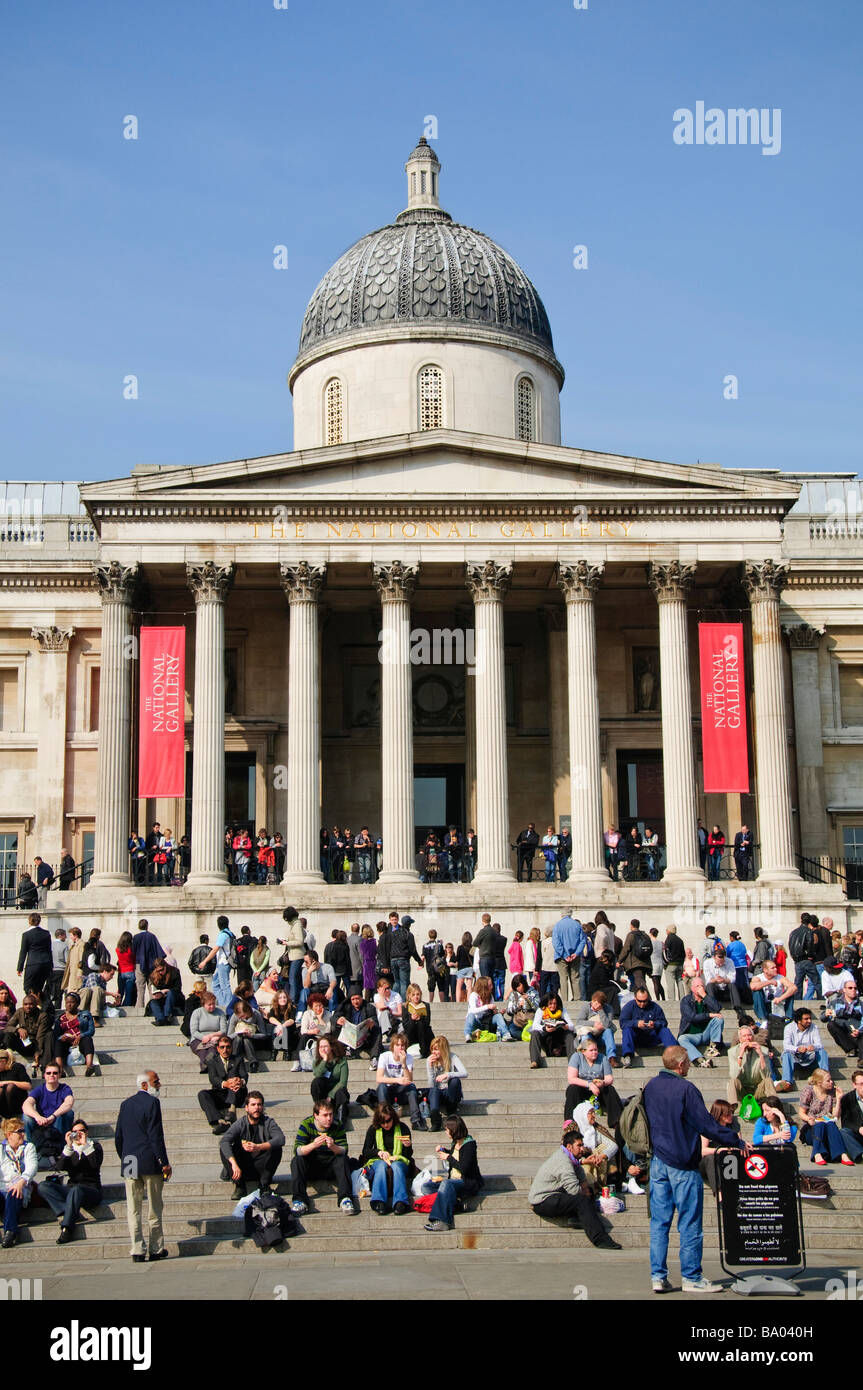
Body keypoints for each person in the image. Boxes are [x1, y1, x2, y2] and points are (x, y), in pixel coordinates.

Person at [645, 1045, 745, 1293]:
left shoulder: (651, 1086)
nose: (689, 1065)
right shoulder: (686, 1089)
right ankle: (691, 1277)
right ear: (680, 1065)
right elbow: (706, 1125)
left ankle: (658, 1276)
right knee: (689, 1222)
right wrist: (736, 1140)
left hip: (658, 1161)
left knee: (659, 1223)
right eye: (688, 1061)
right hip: (683, 1163)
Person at [527, 1119, 621, 1248]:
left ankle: (576, 1217)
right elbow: (574, 1191)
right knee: (581, 1201)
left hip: (555, 1195)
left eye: (582, 1145)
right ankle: (601, 1239)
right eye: (579, 1145)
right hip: (543, 1201)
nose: (582, 1149)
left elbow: (580, 1177)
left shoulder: (571, 1158)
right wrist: (584, 1193)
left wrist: (586, 1189)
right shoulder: (563, 1162)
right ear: (569, 1147)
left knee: (587, 1194)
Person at [115, 1071, 171, 1262]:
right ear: (145, 1085)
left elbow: (118, 1137)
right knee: (154, 1207)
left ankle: (137, 1249)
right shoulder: (152, 1103)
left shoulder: (125, 1104)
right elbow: (156, 1136)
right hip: (150, 1160)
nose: (159, 1085)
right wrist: (164, 1162)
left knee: (133, 1208)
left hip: (129, 1159)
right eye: (156, 1082)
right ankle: (155, 1248)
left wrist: (124, 1156)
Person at [39, 1118, 104, 1243]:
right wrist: (68, 1146)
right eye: (75, 1132)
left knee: (76, 1189)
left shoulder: (94, 1146)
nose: (78, 1134)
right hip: (72, 1189)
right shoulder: (70, 1149)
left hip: (91, 1190)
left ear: (87, 1132)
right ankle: (65, 1211)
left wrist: (85, 1146)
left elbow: (95, 1164)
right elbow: (59, 1167)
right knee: (43, 1186)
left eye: (82, 1131)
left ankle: (67, 1229)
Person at [290, 1099, 354, 1216]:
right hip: (312, 1165)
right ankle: (300, 1200)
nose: (329, 1118)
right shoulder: (306, 1124)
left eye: (331, 1114)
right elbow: (297, 1150)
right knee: (297, 1160)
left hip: (331, 1165)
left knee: (343, 1159)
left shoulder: (337, 1124)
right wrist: (313, 1145)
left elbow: (344, 1149)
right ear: (316, 1115)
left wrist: (333, 1146)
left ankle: (345, 1199)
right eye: (325, 1115)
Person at [424, 1115, 485, 1232]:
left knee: (446, 1184)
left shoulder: (469, 1145)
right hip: (453, 1180)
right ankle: (457, 1204)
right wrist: (444, 1150)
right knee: (426, 1187)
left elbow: (464, 1168)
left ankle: (441, 1220)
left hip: (467, 1181)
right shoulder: (455, 1142)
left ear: (454, 1130)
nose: (446, 1132)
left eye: (447, 1130)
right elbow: (454, 1155)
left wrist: (448, 1157)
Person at [220, 1091, 285, 1197]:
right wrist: (234, 1164)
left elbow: (281, 1139)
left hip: (261, 1168)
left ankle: (264, 1185)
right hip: (241, 1168)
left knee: (276, 1148)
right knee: (225, 1148)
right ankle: (240, 1187)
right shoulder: (240, 1123)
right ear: (246, 1108)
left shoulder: (268, 1122)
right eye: (253, 1105)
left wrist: (258, 1147)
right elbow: (224, 1141)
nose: (256, 1108)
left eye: (259, 1104)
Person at [359, 1101, 416, 1214]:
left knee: (397, 1166)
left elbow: (408, 1156)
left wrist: (408, 1146)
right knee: (381, 1166)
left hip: (399, 1160)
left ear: (393, 1118)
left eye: (388, 1121)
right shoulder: (373, 1129)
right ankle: (378, 1201)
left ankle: (401, 1202)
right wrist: (378, 1152)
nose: (385, 1125)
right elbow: (366, 1151)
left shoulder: (403, 1128)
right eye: (382, 1122)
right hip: (379, 1160)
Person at [0, 1117, 38, 1247]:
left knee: (14, 1192)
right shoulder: (1, 1149)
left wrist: (22, 1181)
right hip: (2, 1188)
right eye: (19, 1131)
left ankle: (10, 1232)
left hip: (21, 1187)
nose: (23, 1134)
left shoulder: (29, 1147)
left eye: (23, 1131)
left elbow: (32, 1166)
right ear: (9, 1135)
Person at [199, 1035, 248, 1133]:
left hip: (237, 1094)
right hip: (220, 1094)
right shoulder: (212, 1061)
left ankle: (232, 1110)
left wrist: (240, 1081)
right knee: (202, 1094)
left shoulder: (238, 1059)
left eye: (228, 1047)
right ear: (218, 1048)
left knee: (234, 1082)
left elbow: (244, 1075)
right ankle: (218, 1121)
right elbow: (213, 1079)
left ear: (231, 1048)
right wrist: (225, 1083)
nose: (225, 1050)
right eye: (222, 1047)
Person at [23, 1062, 74, 1156]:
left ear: (59, 1074)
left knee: (68, 1113)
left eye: (55, 1073)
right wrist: (38, 1117)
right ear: (44, 1075)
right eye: (48, 1073)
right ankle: (33, 1149)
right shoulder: (39, 1089)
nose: (52, 1075)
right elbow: (26, 1105)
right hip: (41, 1122)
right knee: (26, 1117)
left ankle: (61, 1146)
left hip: (57, 1121)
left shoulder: (64, 1088)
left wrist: (53, 1116)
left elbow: (69, 1103)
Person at [564, 1039, 620, 1123]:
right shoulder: (576, 1057)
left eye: (596, 1050)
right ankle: (569, 1121)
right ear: (583, 1051)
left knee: (610, 1089)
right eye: (591, 1050)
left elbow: (609, 1078)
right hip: (582, 1089)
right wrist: (589, 1084)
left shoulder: (603, 1058)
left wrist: (603, 1082)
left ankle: (616, 1121)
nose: (594, 1052)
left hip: (598, 1090)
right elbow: (571, 1078)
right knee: (573, 1088)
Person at [619, 987, 677, 1067]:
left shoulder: (655, 1007)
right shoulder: (629, 1007)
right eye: (639, 1001)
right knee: (627, 1030)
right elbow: (623, 1023)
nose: (642, 1003)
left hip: (652, 1037)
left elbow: (663, 1022)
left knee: (664, 1030)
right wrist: (636, 1023)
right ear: (635, 998)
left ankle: (675, 1054)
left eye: (645, 1001)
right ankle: (628, 1055)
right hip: (636, 1038)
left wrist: (655, 1024)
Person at [777, 1008, 830, 1092]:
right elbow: (786, 1045)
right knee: (786, 1054)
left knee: (822, 1052)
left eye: (810, 1018)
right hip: (795, 1059)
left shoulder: (814, 1027)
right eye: (806, 1019)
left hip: (810, 1058)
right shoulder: (789, 1028)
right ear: (798, 1021)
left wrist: (814, 1047)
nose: (809, 1021)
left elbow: (819, 1044)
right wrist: (797, 1049)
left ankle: (826, 1079)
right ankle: (787, 1083)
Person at [376, 1032, 424, 1126]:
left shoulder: (408, 1057)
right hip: (388, 1089)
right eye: (397, 1045)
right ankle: (384, 1117)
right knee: (381, 1086)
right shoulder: (384, 1056)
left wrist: (403, 1063)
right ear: (393, 1046)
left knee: (411, 1087)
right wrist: (397, 1080)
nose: (400, 1048)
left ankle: (416, 1120)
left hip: (401, 1091)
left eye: (402, 1045)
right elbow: (379, 1078)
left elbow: (409, 1079)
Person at [727, 1024, 779, 1107]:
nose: (748, 1038)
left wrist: (761, 1055)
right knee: (732, 1081)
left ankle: (775, 1107)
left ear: (753, 1037)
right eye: (744, 1036)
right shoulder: (732, 1052)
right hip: (742, 1089)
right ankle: (732, 1108)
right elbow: (734, 1075)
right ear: (740, 1039)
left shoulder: (764, 1050)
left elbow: (767, 1075)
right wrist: (741, 1054)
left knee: (768, 1080)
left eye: (750, 1035)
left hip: (758, 1089)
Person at [677, 977, 724, 1068]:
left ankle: (713, 1047)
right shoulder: (686, 1001)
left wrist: (705, 996)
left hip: (706, 1033)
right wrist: (709, 1015)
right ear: (692, 988)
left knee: (719, 1018)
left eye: (702, 986)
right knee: (681, 1039)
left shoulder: (707, 999)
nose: (700, 988)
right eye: (697, 986)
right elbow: (691, 1017)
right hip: (692, 1035)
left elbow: (717, 1008)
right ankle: (700, 1060)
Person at [2, 993, 52, 1074]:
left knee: (48, 1035)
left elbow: (40, 1037)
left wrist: (37, 1053)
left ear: (36, 1004)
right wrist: (18, 1029)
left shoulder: (42, 1015)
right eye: (25, 1004)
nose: (28, 1006)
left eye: (31, 1004)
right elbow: (7, 1027)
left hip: (33, 1044)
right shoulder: (20, 1011)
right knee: (8, 1035)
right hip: (22, 1042)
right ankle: (8, 1060)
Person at [426, 1036, 467, 1129]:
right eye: (432, 1049)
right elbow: (431, 1085)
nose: (433, 1052)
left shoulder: (452, 1057)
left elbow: (465, 1073)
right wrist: (431, 1068)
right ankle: (435, 1118)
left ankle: (452, 1109)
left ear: (443, 1049)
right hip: (438, 1093)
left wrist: (448, 1074)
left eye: (436, 1049)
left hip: (450, 1092)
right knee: (433, 1090)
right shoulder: (429, 1060)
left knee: (455, 1081)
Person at [52, 992, 96, 1077]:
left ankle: (89, 1067)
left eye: (72, 1002)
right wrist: (63, 1037)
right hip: (67, 1042)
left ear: (77, 1003)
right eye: (67, 1003)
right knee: (58, 1042)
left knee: (88, 1039)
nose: (69, 1005)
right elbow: (56, 1034)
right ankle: (60, 1070)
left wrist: (81, 1036)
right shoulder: (60, 1019)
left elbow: (91, 1031)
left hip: (80, 1039)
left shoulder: (85, 1014)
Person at [529, 992, 576, 1068]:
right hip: (546, 1037)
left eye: (555, 1003)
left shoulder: (562, 1010)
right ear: (546, 1003)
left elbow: (572, 1026)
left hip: (559, 1037)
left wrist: (567, 1026)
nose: (553, 1006)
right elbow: (535, 1026)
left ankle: (573, 1062)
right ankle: (534, 1061)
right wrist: (544, 1028)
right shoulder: (541, 1010)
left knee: (569, 1034)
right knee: (535, 1033)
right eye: (550, 1004)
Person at [335, 987, 380, 1068]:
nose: (356, 1001)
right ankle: (344, 1052)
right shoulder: (345, 1007)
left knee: (377, 1030)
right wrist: (338, 1020)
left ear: (361, 998)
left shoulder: (369, 1007)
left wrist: (372, 1023)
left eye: (358, 999)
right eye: (353, 999)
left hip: (364, 1039)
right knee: (335, 1027)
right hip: (348, 1038)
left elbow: (375, 1020)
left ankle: (374, 1058)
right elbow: (334, 1017)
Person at [311, 1036, 350, 1127]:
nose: (322, 1049)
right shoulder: (317, 1062)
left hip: (336, 1093)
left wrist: (330, 1095)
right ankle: (320, 1110)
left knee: (342, 1092)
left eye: (325, 1046)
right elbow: (317, 1074)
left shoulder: (342, 1061)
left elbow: (343, 1082)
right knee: (316, 1082)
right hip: (323, 1094)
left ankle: (340, 1122)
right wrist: (324, 1060)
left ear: (331, 1047)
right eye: (320, 1047)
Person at [551, 913, 589, 1003]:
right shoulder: (577, 925)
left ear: (562, 914)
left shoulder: (558, 925)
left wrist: (564, 954)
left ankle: (564, 1001)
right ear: (570, 914)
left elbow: (556, 943)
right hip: (574, 956)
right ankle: (577, 999)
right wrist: (576, 953)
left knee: (563, 978)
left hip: (561, 956)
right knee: (575, 978)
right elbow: (583, 941)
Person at [132, 918, 166, 1016]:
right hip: (152, 966)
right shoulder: (152, 936)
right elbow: (160, 952)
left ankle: (140, 1009)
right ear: (147, 926)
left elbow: (133, 952)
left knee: (140, 988)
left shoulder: (136, 937)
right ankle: (153, 1008)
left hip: (139, 965)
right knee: (152, 987)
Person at [572, 991, 618, 1062]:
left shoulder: (608, 1009)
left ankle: (612, 1057)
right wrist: (593, 1024)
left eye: (598, 1004)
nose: (595, 1005)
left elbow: (607, 1025)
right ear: (592, 1001)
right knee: (585, 1036)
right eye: (594, 1002)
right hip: (590, 1034)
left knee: (608, 1031)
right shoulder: (586, 1007)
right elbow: (579, 1022)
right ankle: (586, 1058)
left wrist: (600, 1010)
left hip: (602, 1036)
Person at [16, 912, 53, 999]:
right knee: (39, 988)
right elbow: (49, 950)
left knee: (27, 987)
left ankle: (33, 1005)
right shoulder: (46, 933)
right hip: (45, 963)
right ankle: (40, 1005)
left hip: (33, 964)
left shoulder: (26, 935)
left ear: (29, 921)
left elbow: (23, 952)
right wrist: (51, 966)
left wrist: (19, 968)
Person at [188, 991, 228, 1071]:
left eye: (213, 1004)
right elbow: (194, 1031)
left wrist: (211, 1036)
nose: (212, 1006)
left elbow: (223, 1030)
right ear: (203, 1004)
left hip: (215, 1038)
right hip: (198, 1038)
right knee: (202, 1050)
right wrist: (203, 1037)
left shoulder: (220, 1013)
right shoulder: (197, 1013)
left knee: (212, 1050)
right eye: (209, 1005)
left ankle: (206, 1064)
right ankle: (205, 1065)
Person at [750, 958, 797, 1026]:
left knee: (790, 993)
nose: (776, 969)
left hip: (778, 1004)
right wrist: (769, 982)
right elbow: (753, 986)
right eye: (773, 968)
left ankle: (788, 1019)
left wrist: (780, 998)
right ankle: (764, 1019)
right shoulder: (758, 977)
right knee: (757, 992)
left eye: (775, 967)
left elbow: (794, 988)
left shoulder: (780, 977)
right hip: (764, 1005)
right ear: (765, 970)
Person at [788, 913, 823, 1002]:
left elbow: (790, 945)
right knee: (816, 980)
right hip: (805, 959)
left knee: (798, 982)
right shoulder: (808, 931)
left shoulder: (794, 932)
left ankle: (797, 1000)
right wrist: (810, 955)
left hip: (797, 960)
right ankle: (821, 999)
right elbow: (810, 944)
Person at [702, 945, 745, 1018]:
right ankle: (712, 1008)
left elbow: (732, 978)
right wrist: (716, 980)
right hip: (715, 990)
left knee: (732, 985)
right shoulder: (707, 963)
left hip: (726, 989)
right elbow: (708, 980)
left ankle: (738, 1009)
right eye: (719, 962)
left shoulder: (729, 961)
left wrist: (724, 980)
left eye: (722, 962)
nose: (721, 964)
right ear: (714, 957)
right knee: (710, 986)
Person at [825, 980, 863, 1060]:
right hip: (844, 1034)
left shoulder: (861, 1004)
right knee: (831, 1025)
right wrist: (826, 1014)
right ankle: (850, 1049)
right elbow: (823, 1018)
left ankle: (862, 1059)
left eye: (855, 988)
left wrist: (859, 1031)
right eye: (850, 988)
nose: (853, 990)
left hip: (858, 1034)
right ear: (844, 989)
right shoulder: (835, 1002)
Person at [464, 976, 509, 1042]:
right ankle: (468, 1035)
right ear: (484, 986)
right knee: (470, 1015)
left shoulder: (490, 996)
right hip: (476, 1022)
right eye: (490, 985)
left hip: (487, 1022)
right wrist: (487, 1006)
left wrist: (498, 1012)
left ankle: (506, 1034)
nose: (492, 987)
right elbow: (473, 1010)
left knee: (498, 1016)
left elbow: (492, 1011)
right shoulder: (474, 995)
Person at [228, 999, 269, 1072]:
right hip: (237, 1041)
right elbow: (229, 1036)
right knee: (239, 1038)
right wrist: (238, 1033)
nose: (242, 1018)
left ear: (247, 1011)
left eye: (243, 1016)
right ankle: (234, 1061)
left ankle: (253, 1063)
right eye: (240, 1017)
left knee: (246, 1039)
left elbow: (263, 1034)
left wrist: (252, 1035)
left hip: (252, 1040)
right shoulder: (234, 1016)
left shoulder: (256, 1014)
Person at [618, 919, 653, 994]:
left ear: (631, 925)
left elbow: (626, 949)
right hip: (645, 963)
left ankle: (647, 998)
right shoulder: (645, 935)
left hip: (635, 963)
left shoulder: (631, 935)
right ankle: (636, 998)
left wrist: (619, 961)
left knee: (639, 981)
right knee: (640, 981)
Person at [147, 958, 182, 1026]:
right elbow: (155, 990)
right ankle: (160, 1019)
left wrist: (166, 991)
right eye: (158, 971)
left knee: (170, 993)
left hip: (174, 997)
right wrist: (157, 994)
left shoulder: (174, 971)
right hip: (161, 998)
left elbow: (178, 988)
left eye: (162, 970)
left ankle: (167, 1016)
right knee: (152, 1002)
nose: (160, 972)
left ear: (165, 966)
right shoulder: (153, 975)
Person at [838, 1069, 863, 1163]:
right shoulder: (847, 1099)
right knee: (844, 1132)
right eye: (861, 1084)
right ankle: (860, 1154)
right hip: (858, 1134)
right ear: (854, 1085)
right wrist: (859, 1128)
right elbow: (846, 1122)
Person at [403, 982, 434, 1057]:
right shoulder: (405, 1006)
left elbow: (427, 1022)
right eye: (413, 995)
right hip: (411, 1032)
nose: (416, 997)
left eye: (417, 994)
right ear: (409, 996)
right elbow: (405, 1025)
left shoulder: (426, 1005)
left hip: (423, 1032)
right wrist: (412, 1019)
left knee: (421, 1024)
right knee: (411, 1025)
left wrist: (420, 1018)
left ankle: (424, 1051)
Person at [266, 990, 297, 1062]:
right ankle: (274, 1052)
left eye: (284, 997)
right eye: (280, 998)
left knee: (285, 1028)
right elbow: (270, 1018)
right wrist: (279, 1025)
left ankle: (287, 1052)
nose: (283, 999)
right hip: (278, 1034)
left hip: (290, 1035)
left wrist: (282, 1026)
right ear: (277, 999)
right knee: (275, 1027)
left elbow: (292, 1020)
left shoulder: (292, 1008)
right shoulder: (273, 1009)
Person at [0, 1049, 31, 1120]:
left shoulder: (17, 1067)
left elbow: (28, 1085)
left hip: (17, 1102)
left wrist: (8, 1082)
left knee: (10, 1087)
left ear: (3, 1061)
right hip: (3, 1104)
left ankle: (13, 1116)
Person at [662, 926, 686, 1001]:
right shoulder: (680, 940)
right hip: (680, 964)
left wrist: (665, 964)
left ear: (669, 931)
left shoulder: (669, 939)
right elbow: (684, 954)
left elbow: (665, 953)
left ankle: (671, 1000)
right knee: (680, 981)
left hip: (671, 964)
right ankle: (682, 999)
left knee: (670, 982)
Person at [455, 933, 475, 1002]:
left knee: (459, 987)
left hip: (461, 968)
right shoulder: (472, 947)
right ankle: (469, 1001)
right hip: (469, 968)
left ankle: (458, 1001)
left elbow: (457, 958)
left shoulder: (460, 947)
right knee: (469, 987)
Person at [648, 929, 665, 1001]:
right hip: (660, 963)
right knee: (658, 982)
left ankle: (658, 999)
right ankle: (663, 998)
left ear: (650, 934)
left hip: (653, 963)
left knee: (655, 983)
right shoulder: (661, 943)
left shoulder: (650, 942)